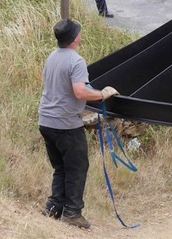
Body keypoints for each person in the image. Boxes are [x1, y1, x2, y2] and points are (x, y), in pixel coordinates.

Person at [39, 18, 119, 228]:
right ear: (75, 38)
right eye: (79, 33)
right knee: (77, 167)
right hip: (65, 124)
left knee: (61, 167)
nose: (81, 36)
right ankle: (73, 213)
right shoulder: (76, 61)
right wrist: (101, 95)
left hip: (46, 121)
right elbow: (79, 91)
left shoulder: (52, 57)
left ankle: (54, 207)